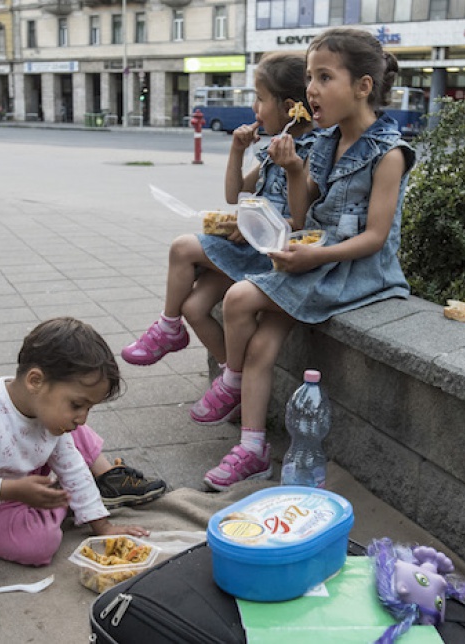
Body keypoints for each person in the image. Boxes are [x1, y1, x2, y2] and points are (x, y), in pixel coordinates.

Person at [197, 27, 416, 489]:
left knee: (238, 300)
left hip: (356, 269)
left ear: (363, 87)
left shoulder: (389, 153)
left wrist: (313, 258)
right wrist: (295, 168)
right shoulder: (325, 140)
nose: (311, 89)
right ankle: (253, 447)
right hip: (314, 256)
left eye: (323, 77)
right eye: (310, 77)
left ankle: (231, 383)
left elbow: (376, 238)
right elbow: (301, 213)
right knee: (262, 343)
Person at [120, 51, 316, 398]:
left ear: (289, 107)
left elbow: (301, 220)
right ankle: (232, 381)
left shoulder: (310, 152)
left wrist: (260, 222)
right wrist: (237, 151)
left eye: (259, 99)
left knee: (182, 247)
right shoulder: (273, 148)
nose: (255, 109)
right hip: (247, 245)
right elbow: (233, 194)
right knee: (195, 308)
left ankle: (168, 328)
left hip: (266, 255)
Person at [0, 317, 168, 566]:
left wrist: (103, 526)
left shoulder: (45, 409)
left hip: (27, 482)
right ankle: (60, 499)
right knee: (40, 545)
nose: (83, 418)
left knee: (71, 434)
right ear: (35, 381)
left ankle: (84, 488)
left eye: (88, 408)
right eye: (77, 404)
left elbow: (72, 467)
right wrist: (13, 491)